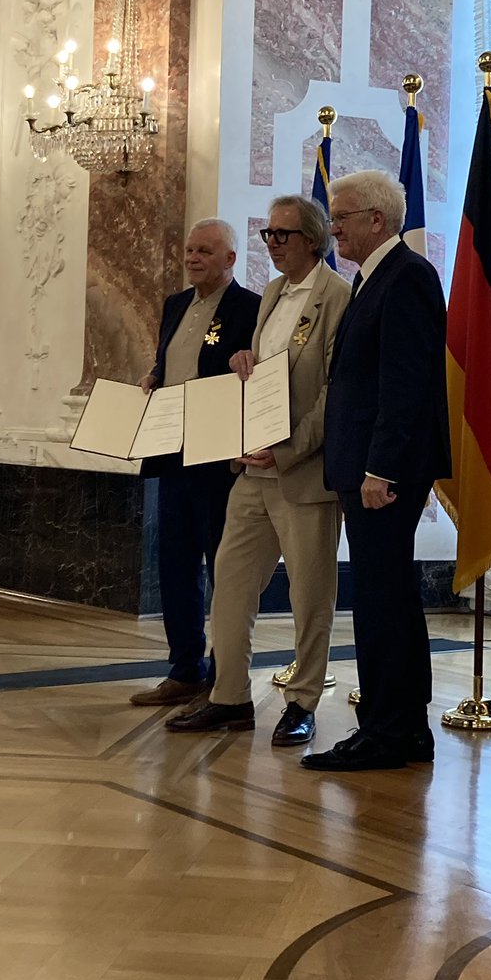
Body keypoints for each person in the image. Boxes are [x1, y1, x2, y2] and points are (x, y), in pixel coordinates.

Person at [166, 195, 350, 746]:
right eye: (268, 234)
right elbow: (265, 368)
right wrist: (243, 360)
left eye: (282, 235)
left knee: (309, 597)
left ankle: (303, 702)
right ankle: (229, 697)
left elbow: (333, 394)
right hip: (251, 469)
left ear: (312, 239)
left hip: (302, 473)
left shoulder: (336, 296)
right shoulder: (271, 293)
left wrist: (288, 450)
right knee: (230, 583)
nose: (272, 244)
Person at [303, 170, 451, 771]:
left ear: (377, 220)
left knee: (381, 600)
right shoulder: (372, 278)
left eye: (340, 217)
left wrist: (382, 468)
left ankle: (386, 732)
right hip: (366, 464)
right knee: (387, 596)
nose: (332, 228)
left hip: (382, 471)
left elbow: (405, 384)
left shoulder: (407, 276)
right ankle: (405, 728)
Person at [129, 219, 261, 707]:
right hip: (171, 451)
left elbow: (257, 373)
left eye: (204, 251)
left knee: (224, 569)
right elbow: (172, 364)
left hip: (218, 456)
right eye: (189, 250)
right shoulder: (175, 304)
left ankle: (224, 678)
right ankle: (185, 669)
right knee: (175, 565)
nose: (192, 258)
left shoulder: (251, 308)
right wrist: (154, 376)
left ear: (230, 259)